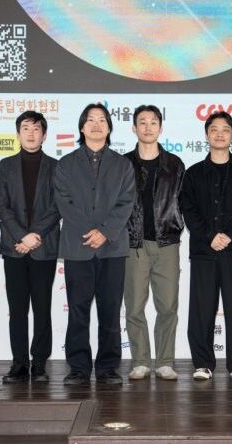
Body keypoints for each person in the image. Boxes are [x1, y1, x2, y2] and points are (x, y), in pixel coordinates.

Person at [54, 103, 136, 385]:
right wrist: (90, 231)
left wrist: (105, 232)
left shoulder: (123, 164)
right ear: (82, 127)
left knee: (110, 311)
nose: (97, 125)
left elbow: (126, 201)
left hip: (112, 248)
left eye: (102, 120)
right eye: (90, 120)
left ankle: (108, 367)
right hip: (78, 247)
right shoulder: (65, 164)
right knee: (78, 310)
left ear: (109, 128)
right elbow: (64, 202)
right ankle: (78, 367)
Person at [180, 111, 232, 381]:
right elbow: (188, 210)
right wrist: (210, 236)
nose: (220, 134)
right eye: (214, 129)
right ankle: (203, 363)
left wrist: (230, 235)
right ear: (206, 135)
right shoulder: (193, 173)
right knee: (201, 309)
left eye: (225, 129)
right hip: (204, 251)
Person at [0, 111, 61, 383]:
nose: (31, 133)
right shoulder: (5, 165)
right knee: (18, 309)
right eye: (25, 128)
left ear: (44, 135)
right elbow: (2, 206)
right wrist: (22, 237)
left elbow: (58, 206)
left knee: (43, 308)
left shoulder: (57, 167)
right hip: (14, 248)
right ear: (18, 133)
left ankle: (40, 363)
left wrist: (35, 235)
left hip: (44, 248)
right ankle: (20, 363)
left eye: (36, 129)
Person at [123, 105, 185, 381]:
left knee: (168, 305)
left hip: (166, 242)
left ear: (161, 127)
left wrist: (175, 226)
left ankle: (165, 361)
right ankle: (140, 361)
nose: (148, 127)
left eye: (153, 122)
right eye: (142, 122)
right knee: (134, 306)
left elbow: (183, 201)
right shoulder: (123, 163)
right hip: (133, 244)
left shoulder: (174, 164)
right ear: (134, 128)